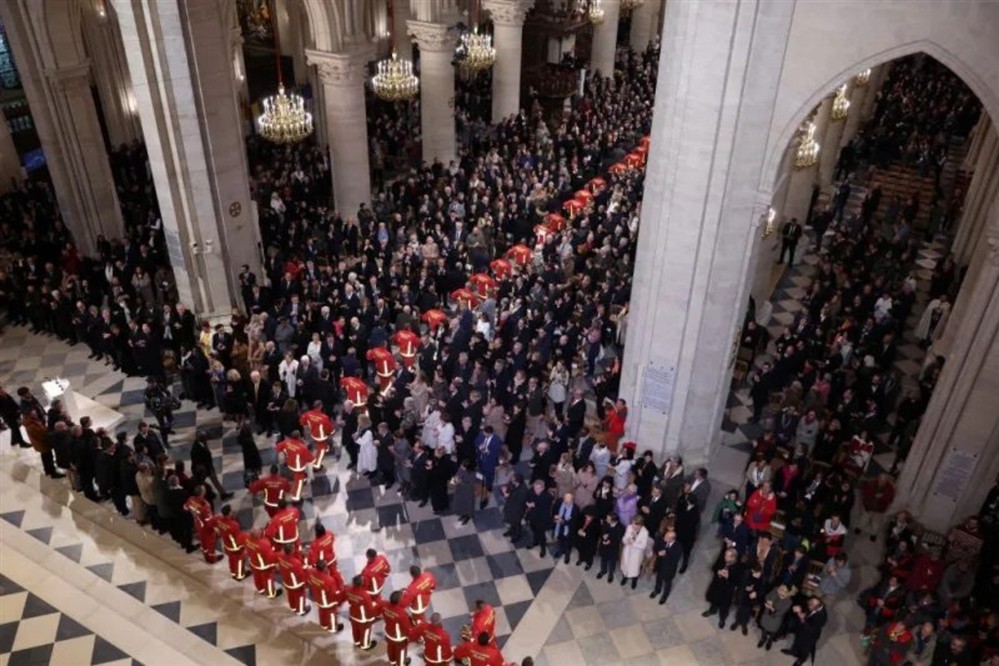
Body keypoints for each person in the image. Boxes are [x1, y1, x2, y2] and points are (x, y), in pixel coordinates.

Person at [703, 548, 744, 628]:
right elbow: (714, 567)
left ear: (733, 558)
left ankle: (722, 619)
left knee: (724, 607)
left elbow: (738, 582)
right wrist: (718, 571)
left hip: (726, 591)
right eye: (725, 555)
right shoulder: (722, 560)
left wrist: (728, 577)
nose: (725, 557)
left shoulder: (738, 567)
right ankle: (712, 610)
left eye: (728, 556)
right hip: (716, 586)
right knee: (714, 600)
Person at [783, 597, 827, 666]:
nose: (809, 607)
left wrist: (799, 613)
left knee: (805, 649)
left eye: (811, 606)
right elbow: (808, 613)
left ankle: (801, 660)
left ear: (817, 607)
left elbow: (808, 626)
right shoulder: (814, 606)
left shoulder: (821, 617)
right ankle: (793, 651)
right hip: (803, 629)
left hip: (810, 635)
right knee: (797, 641)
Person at [183, 485, 221, 564]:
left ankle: (206, 555)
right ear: (202, 493)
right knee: (210, 543)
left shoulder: (191, 499)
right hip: (206, 528)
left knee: (203, 542)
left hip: (197, 524)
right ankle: (211, 558)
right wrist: (216, 528)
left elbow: (185, 507)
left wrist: (193, 512)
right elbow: (209, 520)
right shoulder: (205, 505)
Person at [345, 574, 382, 651]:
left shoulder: (348, 589)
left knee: (355, 629)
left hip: (353, 614)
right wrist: (371, 618)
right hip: (363, 618)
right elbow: (369, 609)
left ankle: (357, 641)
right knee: (365, 631)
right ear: (362, 583)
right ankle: (365, 645)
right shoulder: (365, 595)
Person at [307, 560, 345, 633]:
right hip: (328, 602)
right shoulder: (329, 580)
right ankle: (333, 628)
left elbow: (310, 582)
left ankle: (324, 624)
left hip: (317, 598)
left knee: (322, 611)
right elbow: (334, 593)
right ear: (324, 568)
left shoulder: (311, 572)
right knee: (331, 614)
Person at [382, 590, 417, 666]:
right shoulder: (402, 614)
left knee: (390, 647)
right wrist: (410, 637)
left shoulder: (385, 606)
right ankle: (401, 663)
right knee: (401, 651)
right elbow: (406, 628)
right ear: (399, 601)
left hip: (388, 633)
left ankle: (392, 661)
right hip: (399, 637)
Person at [244, 529, 281, 599]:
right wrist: (275, 564)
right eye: (260, 532)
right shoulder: (264, 544)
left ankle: (261, 589)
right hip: (264, 566)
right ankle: (271, 594)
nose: (261, 532)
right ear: (257, 535)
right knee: (268, 579)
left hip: (254, 563)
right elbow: (269, 557)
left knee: (257, 577)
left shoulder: (247, 539)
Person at [213, 504, 247, 580]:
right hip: (235, 546)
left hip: (226, 544)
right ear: (229, 513)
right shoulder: (234, 525)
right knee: (239, 560)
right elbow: (238, 538)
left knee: (231, 559)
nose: (233, 511)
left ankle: (233, 572)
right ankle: (240, 575)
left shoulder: (219, 520)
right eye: (232, 510)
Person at [650, 528, 682, 605]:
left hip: (669, 569)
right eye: (665, 535)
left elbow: (675, 559)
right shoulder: (662, 540)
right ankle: (657, 590)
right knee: (658, 579)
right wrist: (658, 553)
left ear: (672, 539)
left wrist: (666, 554)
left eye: (667, 537)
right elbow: (655, 548)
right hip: (660, 565)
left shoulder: (678, 547)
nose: (665, 537)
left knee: (667, 583)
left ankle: (665, 596)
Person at [276, 543, 310, 615]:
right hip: (296, 584)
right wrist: (305, 584)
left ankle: (293, 607)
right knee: (300, 596)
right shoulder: (296, 563)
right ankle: (301, 611)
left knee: (291, 594)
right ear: (292, 551)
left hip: (286, 581)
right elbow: (300, 575)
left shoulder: (281, 557)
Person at [757, 584, 793, 651]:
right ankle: (763, 638)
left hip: (776, 618)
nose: (779, 590)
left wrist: (772, 608)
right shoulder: (775, 591)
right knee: (765, 627)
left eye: (782, 590)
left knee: (773, 630)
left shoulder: (788, 601)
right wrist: (768, 601)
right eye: (780, 588)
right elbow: (767, 596)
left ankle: (770, 641)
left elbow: (780, 612)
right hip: (766, 613)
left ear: (787, 592)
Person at [620, 515, 649, 590]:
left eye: (635, 524)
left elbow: (643, 546)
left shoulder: (645, 532)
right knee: (626, 565)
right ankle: (625, 577)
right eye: (632, 523)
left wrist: (633, 543)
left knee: (635, 568)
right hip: (628, 551)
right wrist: (627, 540)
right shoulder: (629, 527)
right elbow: (624, 538)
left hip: (637, 554)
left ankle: (634, 581)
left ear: (640, 525)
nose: (633, 526)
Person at [525, 479, 553, 556]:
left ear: (543, 488)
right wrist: (528, 503)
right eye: (535, 488)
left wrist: (534, 504)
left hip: (542, 518)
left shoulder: (547, 496)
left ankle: (543, 548)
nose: (535, 490)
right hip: (533, 516)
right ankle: (535, 541)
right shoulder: (531, 492)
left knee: (541, 534)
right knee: (533, 530)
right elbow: (527, 497)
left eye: (538, 488)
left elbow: (544, 505)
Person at [552, 492, 578, 564]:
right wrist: (554, 516)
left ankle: (567, 554)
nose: (566, 502)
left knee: (567, 543)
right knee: (560, 539)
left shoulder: (575, 509)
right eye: (565, 500)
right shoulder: (560, 502)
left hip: (568, 529)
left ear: (572, 500)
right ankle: (560, 550)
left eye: (568, 501)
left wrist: (563, 521)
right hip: (559, 526)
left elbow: (574, 523)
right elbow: (554, 510)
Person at [501, 473, 528, 542]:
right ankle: (511, 531)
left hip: (518, 509)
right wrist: (504, 491)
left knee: (516, 523)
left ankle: (517, 535)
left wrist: (507, 495)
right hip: (510, 507)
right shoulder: (512, 484)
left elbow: (520, 501)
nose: (511, 481)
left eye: (513, 480)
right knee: (511, 521)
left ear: (518, 481)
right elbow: (507, 489)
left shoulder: (523, 490)